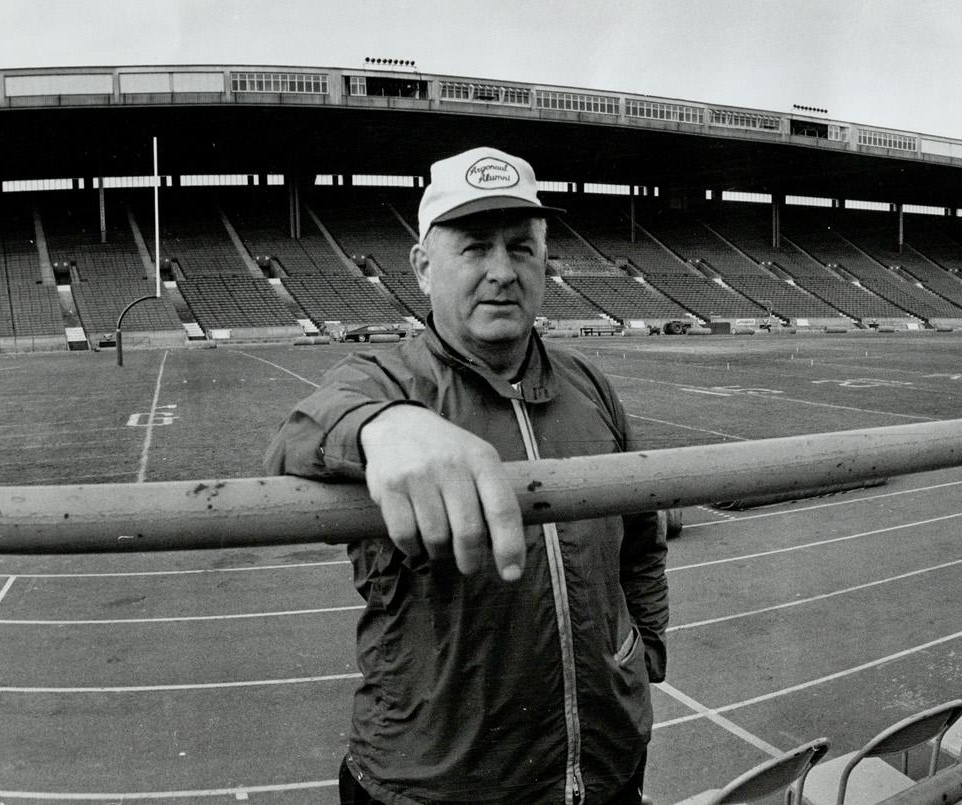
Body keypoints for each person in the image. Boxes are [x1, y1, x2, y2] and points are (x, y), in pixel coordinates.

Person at [265, 147, 667, 805]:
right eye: (475, 248)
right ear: (424, 267)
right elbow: (293, 439)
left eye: (521, 248)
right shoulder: (382, 380)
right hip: (434, 785)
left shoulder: (589, 385)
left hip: (607, 770)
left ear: (545, 260)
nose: (502, 272)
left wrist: (641, 652)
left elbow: (642, 542)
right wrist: (383, 425)